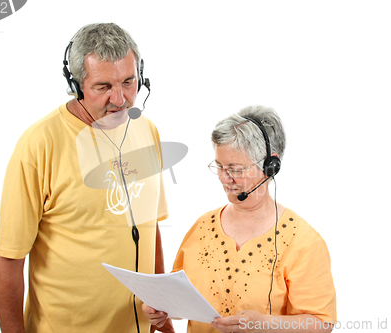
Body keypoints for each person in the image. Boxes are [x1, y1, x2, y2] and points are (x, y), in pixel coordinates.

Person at [0, 23, 174, 333]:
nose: (120, 98)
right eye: (103, 87)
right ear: (76, 84)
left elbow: (149, 227)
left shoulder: (147, 130)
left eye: (129, 82)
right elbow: (9, 259)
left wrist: (163, 317)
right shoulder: (38, 145)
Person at [143, 105, 336, 333]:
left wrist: (265, 324)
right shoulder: (202, 228)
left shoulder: (302, 241)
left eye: (235, 169)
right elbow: (176, 299)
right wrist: (159, 312)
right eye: (220, 167)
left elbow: (322, 323)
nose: (225, 179)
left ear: (269, 167)